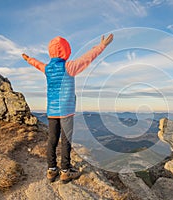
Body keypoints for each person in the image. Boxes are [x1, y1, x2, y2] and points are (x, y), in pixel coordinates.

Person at [22, 34, 113, 183]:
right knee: (66, 140)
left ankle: (51, 170)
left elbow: (37, 64)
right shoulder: (69, 67)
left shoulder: (48, 69)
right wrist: (102, 46)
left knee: (52, 140)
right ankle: (65, 171)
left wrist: (28, 59)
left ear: (51, 51)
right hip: (66, 111)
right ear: (66, 50)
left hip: (52, 111)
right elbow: (87, 57)